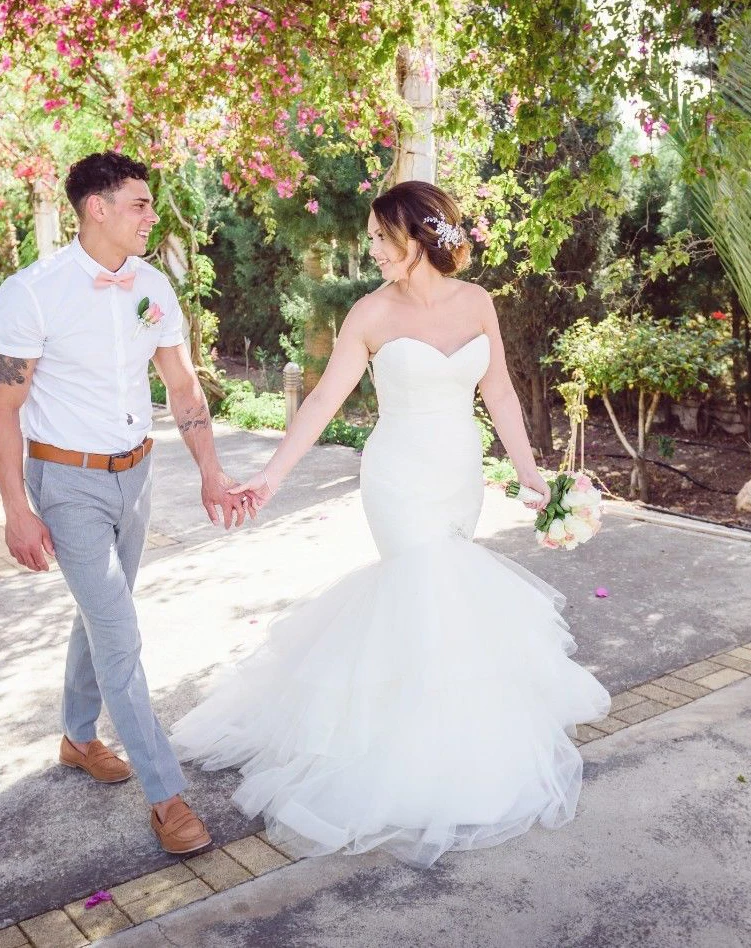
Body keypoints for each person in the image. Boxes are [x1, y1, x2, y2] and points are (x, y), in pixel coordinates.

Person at [171, 180, 611, 868]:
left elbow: (495, 389)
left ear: (418, 237)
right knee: (423, 592)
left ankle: (456, 745)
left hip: (458, 473)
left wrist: (529, 473)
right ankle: (406, 764)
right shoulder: (369, 314)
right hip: (398, 478)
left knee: (448, 603)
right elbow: (321, 399)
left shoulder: (477, 303)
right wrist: (269, 477)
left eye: (380, 236)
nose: (371, 248)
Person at [0, 151, 251, 855]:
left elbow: (182, 384)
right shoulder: (32, 292)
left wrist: (210, 471)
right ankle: (166, 796)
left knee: (101, 611)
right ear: (96, 208)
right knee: (120, 633)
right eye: (138, 204)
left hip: (137, 474)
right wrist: (16, 509)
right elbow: (5, 407)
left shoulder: (154, 285)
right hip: (66, 480)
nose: (149, 215)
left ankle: (78, 738)